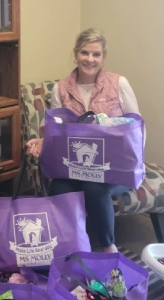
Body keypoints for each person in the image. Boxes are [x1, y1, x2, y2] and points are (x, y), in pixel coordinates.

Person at [27, 28, 141, 253]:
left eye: (96, 54)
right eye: (85, 53)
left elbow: (135, 129)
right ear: (76, 54)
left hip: (116, 168)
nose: (90, 59)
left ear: (103, 57)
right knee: (59, 187)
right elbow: (57, 132)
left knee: (95, 186)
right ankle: (71, 244)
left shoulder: (119, 84)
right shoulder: (61, 89)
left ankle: (108, 247)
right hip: (76, 167)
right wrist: (42, 142)